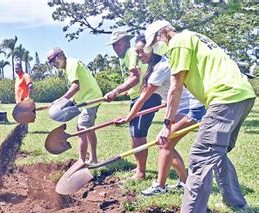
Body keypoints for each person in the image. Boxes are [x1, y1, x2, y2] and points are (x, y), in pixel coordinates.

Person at [145, 20, 256, 213]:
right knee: (217, 153)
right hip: (243, 95)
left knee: (200, 157)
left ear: (164, 33)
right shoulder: (194, 37)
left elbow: (176, 86)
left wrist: (167, 125)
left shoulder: (178, 43)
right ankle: (237, 203)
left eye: (156, 41)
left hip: (224, 97)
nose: (158, 46)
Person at [115, 35, 206, 196]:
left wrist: (128, 117)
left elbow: (144, 97)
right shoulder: (155, 66)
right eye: (136, 52)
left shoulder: (161, 67)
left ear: (153, 49)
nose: (139, 54)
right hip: (184, 108)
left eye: (142, 50)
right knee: (167, 144)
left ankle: (160, 186)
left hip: (194, 108)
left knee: (164, 143)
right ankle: (185, 182)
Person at [105, 30, 162, 180]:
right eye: (113, 45)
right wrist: (127, 91)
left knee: (139, 134)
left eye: (118, 44)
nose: (115, 48)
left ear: (126, 42)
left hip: (147, 97)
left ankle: (141, 173)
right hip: (137, 97)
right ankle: (139, 168)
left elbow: (135, 78)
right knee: (134, 134)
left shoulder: (131, 52)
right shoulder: (128, 55)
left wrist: (115, 91)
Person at [47, 47, 103, 164]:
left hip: (90, 99)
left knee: (81, 128)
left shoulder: (71, 65)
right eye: (50, 62)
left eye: (53, 59)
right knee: (89, 130)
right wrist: (69, 101)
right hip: (88, 98)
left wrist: (62, 99)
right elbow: (79, 87)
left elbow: (75, 86)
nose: (53, 64)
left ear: (61, 55)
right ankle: (93, 159)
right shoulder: (67, 67)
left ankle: (81, 161)